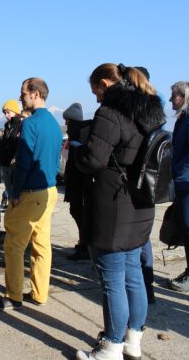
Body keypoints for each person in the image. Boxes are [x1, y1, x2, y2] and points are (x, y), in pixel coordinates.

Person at [74, 64, 165, 360]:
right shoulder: (150, 112)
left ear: (104, 83)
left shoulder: (111, 113)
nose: (97, 99)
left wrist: (76, 149)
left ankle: (111, 347)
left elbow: (93, 161)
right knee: (134, 276)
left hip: (113, 206)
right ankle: (132, 342)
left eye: (96, 92)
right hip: (141, 204)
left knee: (112, 280)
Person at [0, 77, 62, 311]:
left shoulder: (30, 124)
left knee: (14, 245)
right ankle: (39, 294)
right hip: (49, 191)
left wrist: (15, 192)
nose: (20, 97)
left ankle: (14, 296)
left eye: (23, 93)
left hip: (30, 192)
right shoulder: (54, 124)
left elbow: (24, 162)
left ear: (35, 94)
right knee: (41, 244)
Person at [62, 102, 92, 261]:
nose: (66, 123)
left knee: (79, 212)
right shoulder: (77, 131)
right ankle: (84, 242)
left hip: (80, 179)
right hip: (76, 178)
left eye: (67, 119)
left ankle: (85, 245)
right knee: (77, 211)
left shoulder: (80, 131)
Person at [168, 81, 189, 292]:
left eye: (173, 96)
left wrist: (178, 173)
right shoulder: (182, 119)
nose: (170, 100)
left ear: (182, 97)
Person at [0, 99, 23, 209]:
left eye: (8, 112)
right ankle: (12, 208)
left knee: (15, 192)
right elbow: (4, 142)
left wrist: (15, 157)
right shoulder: (7, 126)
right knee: (8, 189)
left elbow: (21, 144)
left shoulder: (21, 124)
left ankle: (16, 211)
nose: (6, 115)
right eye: (4, 113)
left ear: (15, 111)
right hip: (5, 162)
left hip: (14, 163)